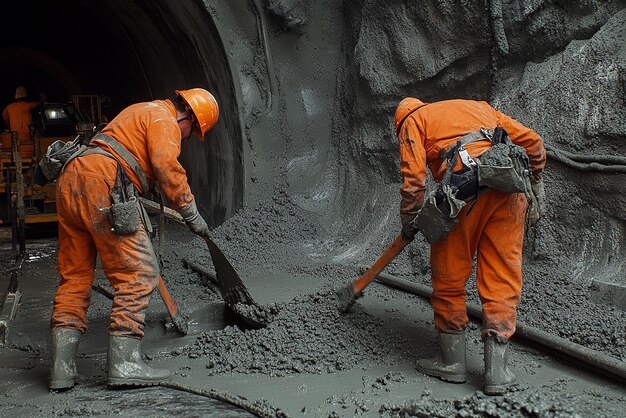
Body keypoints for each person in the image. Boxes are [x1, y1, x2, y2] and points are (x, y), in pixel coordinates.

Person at [49, 88, 219, 390]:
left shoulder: (142, 109)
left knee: (74, 277)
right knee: (138, 274)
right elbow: (167, 167)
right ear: (188, 116)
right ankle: (124, 364)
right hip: (102, 182)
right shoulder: (165, 120)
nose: (188, 137)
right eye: (192, 131)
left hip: (72, 177)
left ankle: (62, 370)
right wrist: (191, 212)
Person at [394, 97, 546, 395]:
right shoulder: (479, 108)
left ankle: (451, 363)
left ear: (399, 122)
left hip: (462, 194)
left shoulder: (411, 121)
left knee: (450, 274)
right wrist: (537, 182)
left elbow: (413, 181)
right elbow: (534, 142)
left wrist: (410, 219)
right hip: (510, 189)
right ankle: (497, 372)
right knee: (503, 275)